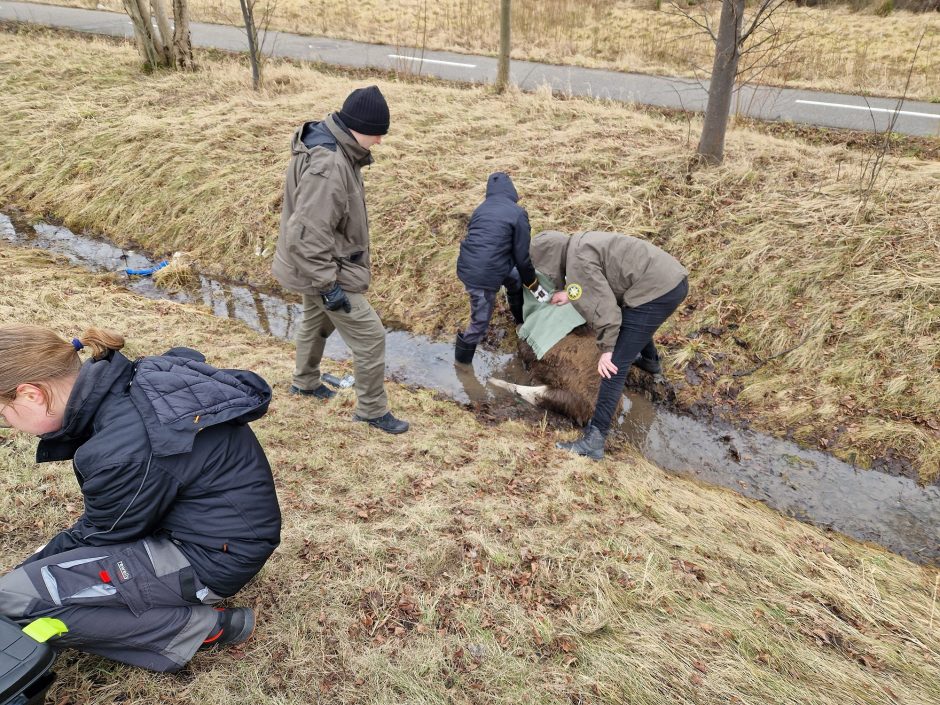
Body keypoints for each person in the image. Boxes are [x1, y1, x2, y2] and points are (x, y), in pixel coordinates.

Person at [0, 326, 281, 672]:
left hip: (210, 558)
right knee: (29, 583)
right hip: (221, 532)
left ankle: (200, 628)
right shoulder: (128, 382)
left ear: (31, 394)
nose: (8, 425)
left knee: (12, 598)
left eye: (3, 415)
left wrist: (27, 572)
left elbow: (103, 534)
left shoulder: (122, 446)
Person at [273, 85, 409, 434]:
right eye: (377, 134)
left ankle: (304, 382)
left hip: (314, 266)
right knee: (371, 337)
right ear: (357, 127)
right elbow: (306, 234)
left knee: (315, 322)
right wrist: (329, 284)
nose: (379, 142)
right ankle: (371, 410)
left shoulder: (331, 147)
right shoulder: (330, 166)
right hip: (323, 268)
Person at [530, 230, 688, 460]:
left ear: (549, 258)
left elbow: (605, 312)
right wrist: (569, 294)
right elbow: (597, 284)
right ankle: (651, 362)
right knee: (636, 324)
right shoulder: (578, 247)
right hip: (670, 280)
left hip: (658, 290)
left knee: (613, 367)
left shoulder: (578, 264)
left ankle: (595, 440)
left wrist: (608, 350)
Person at [454, 172, 549, 364]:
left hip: (472, 265)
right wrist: (534, 285)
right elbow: (522, 258)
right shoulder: (517, 213)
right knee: (479, 322)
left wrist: (525, 281)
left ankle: (519, 319)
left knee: (514, 278)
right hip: (482, 275)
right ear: (511, 190)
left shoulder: (481, 209)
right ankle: (462, 366)